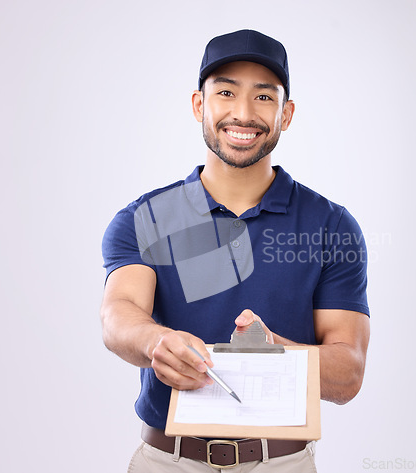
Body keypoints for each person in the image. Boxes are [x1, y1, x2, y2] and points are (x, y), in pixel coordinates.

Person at [101, 29, 370, 472]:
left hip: (281, 463)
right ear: (199, 105)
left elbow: (348, 374)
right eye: (226, 92)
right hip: (167, 461)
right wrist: (157, 341)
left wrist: (276, 357)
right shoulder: (143, 218)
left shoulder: (332, 226)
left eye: (264, 97)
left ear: (286, 114)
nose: (243, 114)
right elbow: (119, 314)